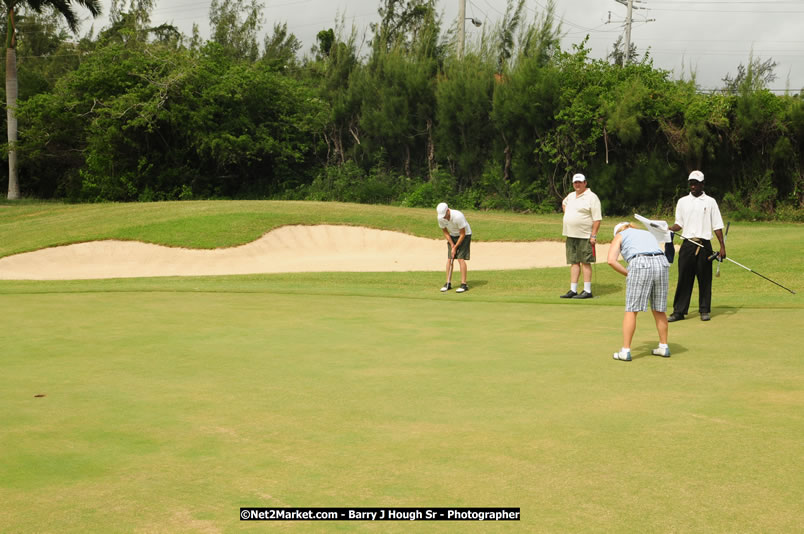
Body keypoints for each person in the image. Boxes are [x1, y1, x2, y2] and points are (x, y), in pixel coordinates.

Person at [667, 170, 726, 322]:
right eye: (691, 183)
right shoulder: (682, 201)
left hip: (704, 244)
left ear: (702, 184)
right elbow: (679, 223)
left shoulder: (710, 202)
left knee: (705, 279)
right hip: (687, 244)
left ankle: (704, 310)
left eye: (695, 183)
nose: (692, 186)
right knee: (684, 278)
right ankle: (679, 311)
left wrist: (722, 247)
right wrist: (669, 228)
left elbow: (717, 226)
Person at [607, 222, 672, 361]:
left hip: (641, 263)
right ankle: (663, 346)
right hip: (662, 263)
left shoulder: (620, 235)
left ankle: (625, 350)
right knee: (659, 308)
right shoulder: (646, 233)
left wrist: (628, 273)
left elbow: (611, 261)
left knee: (631, 309)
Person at [560, 173, 602, 299]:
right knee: (574, 262)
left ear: (585, 183)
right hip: (570, 234)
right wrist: (568, 214)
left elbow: (597, 219)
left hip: (585, 235)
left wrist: (593, 235)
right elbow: (564, 203)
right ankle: (573, 289)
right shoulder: (571, 196)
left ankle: (587, 290)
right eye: (575, 183)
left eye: (580, 182)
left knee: (585, 262)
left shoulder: (592, 197)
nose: (577, 185)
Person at [436, 202, 471, 293]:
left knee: (460, 259)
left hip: (465, 235)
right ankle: (448, 283)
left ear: (448, 210)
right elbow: (445, 232)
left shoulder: (458, 216)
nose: (444, 218)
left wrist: (455, 247)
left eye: (445, 215)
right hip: (452, 236)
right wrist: (452, 244)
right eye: (442, 216)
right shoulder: (440, 218)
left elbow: (462, 234)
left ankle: (464, 284)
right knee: (449, 259)